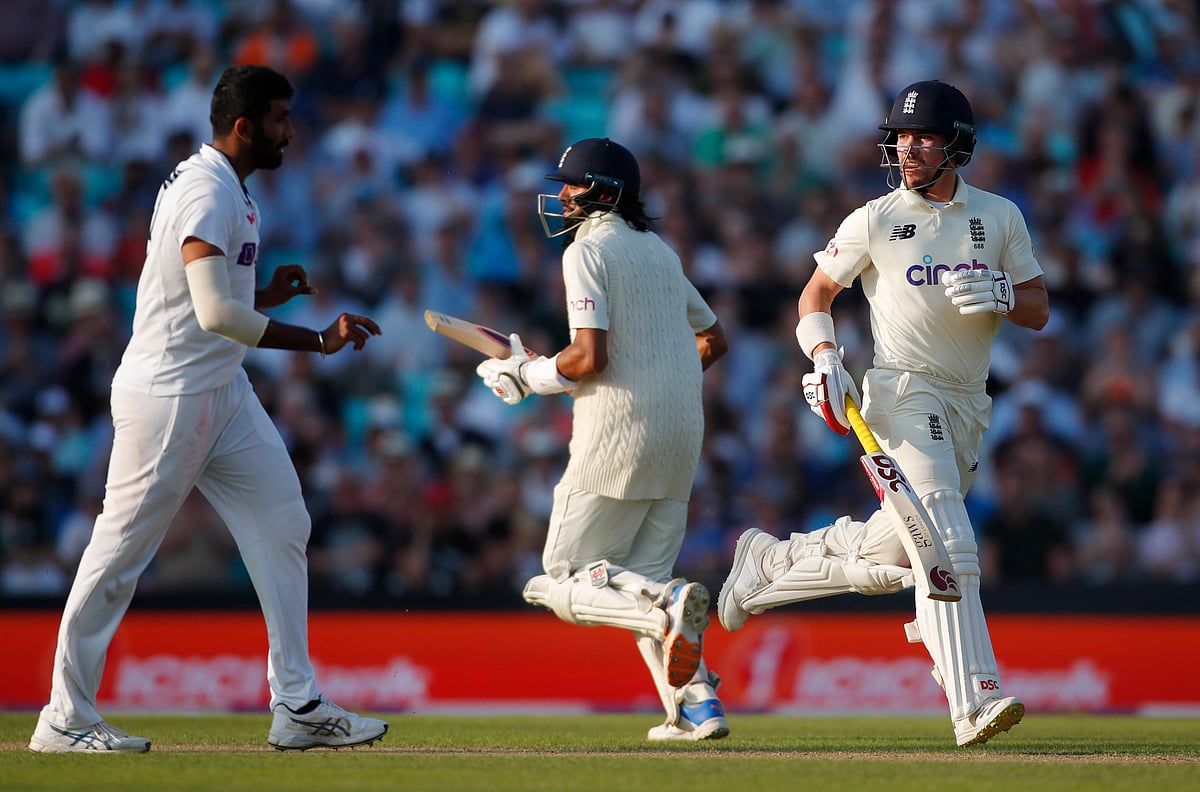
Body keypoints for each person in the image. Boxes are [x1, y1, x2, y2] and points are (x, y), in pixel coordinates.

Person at [30, 65, 387, 754]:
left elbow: (214, 304)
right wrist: (316, 338)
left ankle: (297, 704)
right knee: (118, 556)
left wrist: (270, 297)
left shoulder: (228, 187)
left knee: (284, 518)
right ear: (245, 127)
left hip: (220, 390)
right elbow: (216, 311)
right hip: (172, 396)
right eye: (281, 119)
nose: (291, 131)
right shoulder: (205, 189)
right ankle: (64, 718)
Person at [717, 80, 1049, 747]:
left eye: (923, 136)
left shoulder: (999, 217)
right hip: (901, 393)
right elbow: (815, 294)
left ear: (957, 145)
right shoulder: (874, 218)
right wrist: (824, 357)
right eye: (900, 137)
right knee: (946, 543)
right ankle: (974, 697)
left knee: (900, 547)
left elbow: (1038, 310)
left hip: (967, 406)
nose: (908, 148)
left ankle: (770, 565)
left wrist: (1004, 292)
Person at [475, 138, 730, 741]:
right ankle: (697, 708)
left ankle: (666, 604)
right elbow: (713, 341)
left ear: (605, 192)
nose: (561, 195)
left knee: (558, 578)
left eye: (572, 184)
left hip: (617, 436)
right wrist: (655, 380)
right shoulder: (660, 253)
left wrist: (526, 375)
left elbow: (589, 357)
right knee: (634, 574)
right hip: (679, 437)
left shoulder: (588, 250)